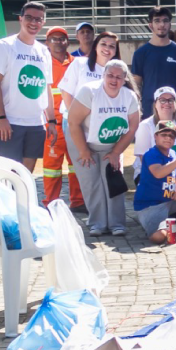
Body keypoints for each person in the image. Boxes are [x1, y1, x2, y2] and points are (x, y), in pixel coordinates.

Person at [65, 59, 139, 236]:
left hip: (111, 143)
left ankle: (117, 224)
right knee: (92, 182)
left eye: (119, 77)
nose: (114, 80)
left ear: (125, 79)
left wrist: (116, 152)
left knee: (112, 180)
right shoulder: (89, 91)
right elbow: (73, 123)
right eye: (110, 76)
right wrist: (83, 151)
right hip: (81, 139)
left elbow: (133, 126)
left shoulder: (129, 96)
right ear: (103, 75)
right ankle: (97, 223)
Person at [0, 2, 55, 174]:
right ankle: (5, 202)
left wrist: (52, 121)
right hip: (10, 122)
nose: (34, 23)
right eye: (29, 18)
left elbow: (46, 88)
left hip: (35, 122)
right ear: (20, 19)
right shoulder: (4, 46)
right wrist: (1, 118)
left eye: (38, 19)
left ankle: (21, 202)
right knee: (8, 174)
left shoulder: (44, 51)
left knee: (25, 174)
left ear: (43, 22)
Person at [59, 31, 123, 211]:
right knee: (88, 175)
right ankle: (96, 218)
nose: (107, 49)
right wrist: (76, 118)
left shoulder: (116, 72)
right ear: (95, 46)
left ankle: (111, 217)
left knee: (108, 174)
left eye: (112, 46)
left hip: (106, 129)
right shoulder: (80, 64)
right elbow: (66, 92)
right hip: (77, 126)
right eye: (104, 44)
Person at [134, 120, 176, 245]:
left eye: (171, 136)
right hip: (151, 205)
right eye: (164, 135)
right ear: (155, 136)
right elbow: (158, 173)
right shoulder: (151, 154)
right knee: (158, 238)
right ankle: (161, 226)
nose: (168, 138)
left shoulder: (173, 153)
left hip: (170, 200)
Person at [40, 26, 81, 207]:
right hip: (52, 124)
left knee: (77, 166)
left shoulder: (77, 64)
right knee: (51, 168)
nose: (58, 42)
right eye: (54, 39)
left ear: (68, 42)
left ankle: (78, 202)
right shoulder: (42, 63)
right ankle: (51, 202)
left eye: (62, 38)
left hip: (73, 124)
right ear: (47, 43)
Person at [135, 87, 176, 162]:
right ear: (155, 104)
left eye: (171, 100)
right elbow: (144, 160)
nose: (167, 103)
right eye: (162, 100)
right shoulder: (145, 126)